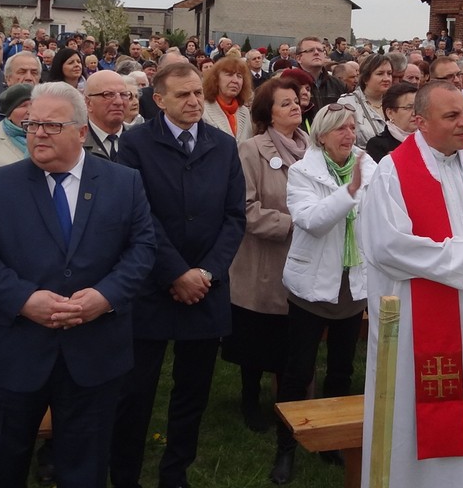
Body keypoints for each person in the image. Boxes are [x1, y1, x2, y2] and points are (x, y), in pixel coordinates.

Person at [0, 82, 156, 488]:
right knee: (0, 466)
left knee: (85, 468)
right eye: (32, 124)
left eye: (51, 126)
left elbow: (142, 251)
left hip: (94, 352)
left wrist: (105, 298)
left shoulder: (125, 183)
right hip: (16, 351)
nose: (38, 134)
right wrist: (24, 299)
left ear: (81, 132)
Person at [355, 81, 463, 488]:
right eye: (452, 116)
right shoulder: (394, 169)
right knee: (417, 412)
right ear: (421, 122)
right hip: (415, 319)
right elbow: (385, 244)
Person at [112, 62, 246, 488]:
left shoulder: (222, 146)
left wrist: (205, 272)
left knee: (192, 391)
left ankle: (176, 471)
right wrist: (175, 273)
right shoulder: (134, 145)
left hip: (205, 288)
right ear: (159, 100)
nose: (193, 102)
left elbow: (233, 217)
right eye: (182, 95)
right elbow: (138, 217)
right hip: (151, 287)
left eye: (196, 94)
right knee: (136, 392)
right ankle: (125, 473)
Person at [270, 102, 377, 484]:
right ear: (321, 136)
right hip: (312, 287)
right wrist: (348, 193)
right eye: (340, 129)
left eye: (352, 127)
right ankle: (286, 446)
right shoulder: (303, 171)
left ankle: (332, 440)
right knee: (298, 370)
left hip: (353, 285)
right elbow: (311, 222)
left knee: (342, 369)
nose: (349, 135)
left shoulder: (370, 167)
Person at [224, 77, 307, 434]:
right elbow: (245, 208)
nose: (295, 107)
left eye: (297, 101)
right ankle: (249, 399)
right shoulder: (251, 150)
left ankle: (289, 398)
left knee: (292, 336)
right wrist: (294, 224)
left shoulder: (311, 149)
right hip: (262, 260)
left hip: (302, 260)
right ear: (268, 114)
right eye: (285, 103)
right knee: (256, 337)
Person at [336, 53, 393, 148]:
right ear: (366, 78)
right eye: (380, 74)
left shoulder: (396, 102)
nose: (387, 78)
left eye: (389, 73)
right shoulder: (347, 103)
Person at [201, 54, 253, 141]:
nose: (235, 80)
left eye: (239, 76)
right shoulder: (203, 110)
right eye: (229, 75)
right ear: (216, 79)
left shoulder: (244, 112)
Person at [365, 82, 418, 162]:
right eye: (408, 108)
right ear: (390, 113)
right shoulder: (377, 145)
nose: (414, 113)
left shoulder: (428, 140)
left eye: (417, 107)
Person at [296, 36, 346, 110]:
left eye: (320, 50)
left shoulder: (337, 84)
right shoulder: (290, 83)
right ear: (299, 58)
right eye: (310, 50)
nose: (316, 53)